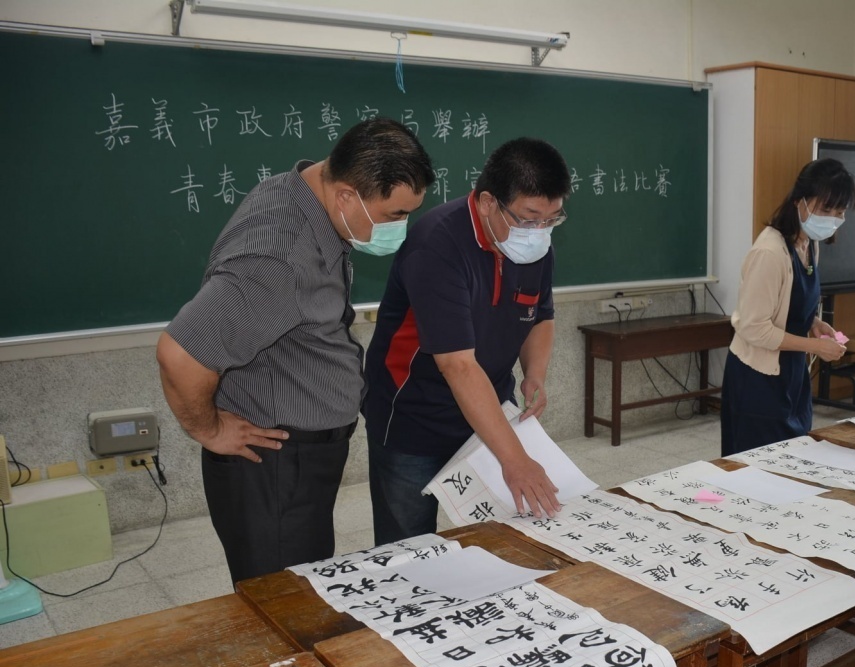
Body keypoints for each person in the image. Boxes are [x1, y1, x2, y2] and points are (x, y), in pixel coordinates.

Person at [157, 118, 435, 584]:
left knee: (301, 580)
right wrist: (209, 430)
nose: (402, 228)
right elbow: (180, 354)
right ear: (346, 195)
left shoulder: (302, 191)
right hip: (276, 466)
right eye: (394, 215)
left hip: (295, 460)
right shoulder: (278, 261)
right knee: (286, 600)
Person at [363, 137, 571, 544]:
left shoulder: (535, 244)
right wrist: (515, 459)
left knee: (502, 536)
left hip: (487, 412)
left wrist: (536, 374)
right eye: (530, 218)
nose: (540, 231)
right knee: (408, 544)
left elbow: (539, 315)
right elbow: (457, 364)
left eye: (553, 219)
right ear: (489, 202)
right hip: (413, 416)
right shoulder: (437, 244)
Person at [720, 158, 855, 457]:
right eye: (825, 209)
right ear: (800, 201)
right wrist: (814, 346)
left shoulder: (809, 244)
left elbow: (793, 305)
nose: (833, 219)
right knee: (758, 467)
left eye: (840, 212)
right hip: (757, 378)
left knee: (794, 457)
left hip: (791, 374)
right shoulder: (770, 252)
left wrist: (815, 324)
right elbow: (754, 328)